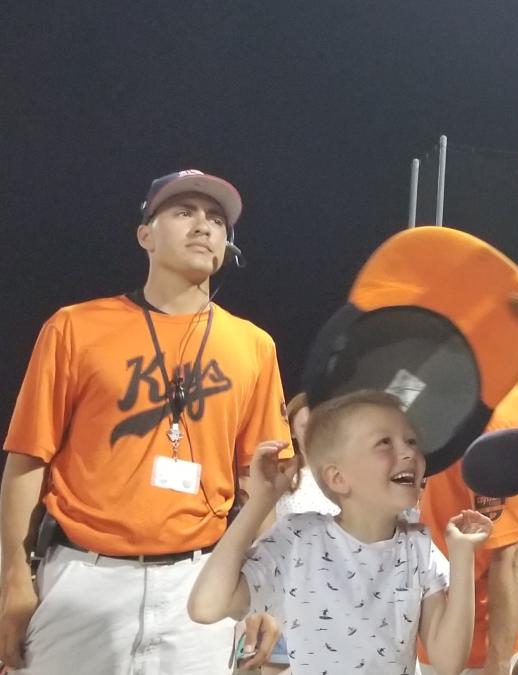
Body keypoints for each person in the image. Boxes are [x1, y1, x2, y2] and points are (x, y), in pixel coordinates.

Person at [0, 169, 289, 674]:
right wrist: (13, 578)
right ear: (145, 236)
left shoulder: (254, 346)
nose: (204, 226)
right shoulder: (75, 327)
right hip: (84, 578)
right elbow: (27, 459)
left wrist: (262, 596)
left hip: (200, 585)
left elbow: (259, 482)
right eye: (184, 212)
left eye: (217, 220)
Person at [189, 390, 492, 674]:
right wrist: (260, 503)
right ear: (337, 478)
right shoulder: (299, 540)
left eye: (412, 441)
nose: (409, 453)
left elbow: (448, 661)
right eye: (384, 442)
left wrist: (462, 554)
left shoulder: (418, 549)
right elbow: (206, 606)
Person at [418, 379, 518, 675]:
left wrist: (497, 662)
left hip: (469, 649)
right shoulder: (444, 391)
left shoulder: (493, 420)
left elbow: (511, 553)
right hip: (430, 625)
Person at [261, 392, 340, 675]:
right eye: (306, 427)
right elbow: (264, 543)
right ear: (293, 431)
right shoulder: (285, 480)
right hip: (287, 609)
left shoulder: (352, 480)